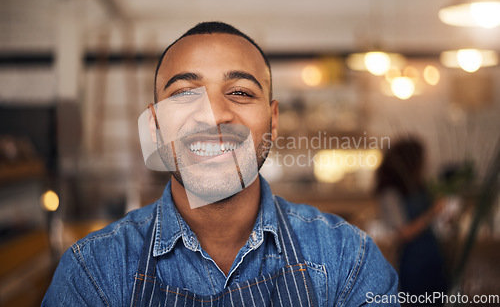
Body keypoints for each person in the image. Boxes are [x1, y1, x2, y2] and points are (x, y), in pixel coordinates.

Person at [43, 22, 398, 306]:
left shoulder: (349, 261)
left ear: (273, 121)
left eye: (241, 92)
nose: (213, 116)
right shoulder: (92, 273)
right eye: (184, 94)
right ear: (154, 127)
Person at [375, 137, 448, 304]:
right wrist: (432, 214)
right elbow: (403, 233)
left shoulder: (418, 187)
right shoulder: (390, 193)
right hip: (414, 263)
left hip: (433, 258)